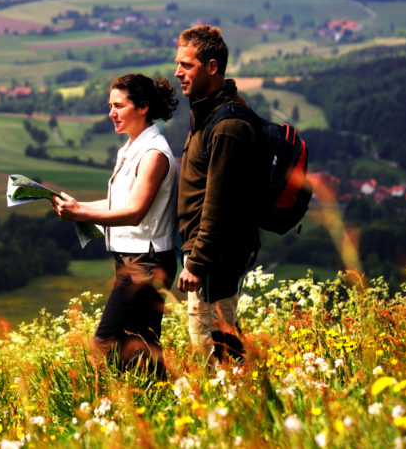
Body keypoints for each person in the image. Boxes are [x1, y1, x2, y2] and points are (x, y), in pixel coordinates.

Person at [52, 73, 180, 374]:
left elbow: (134, 212)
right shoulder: (131, 149)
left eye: (119, 106)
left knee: (103, 344)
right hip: (136, 260)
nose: (111, 112)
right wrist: (77, 206)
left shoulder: (153, 154)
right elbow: (119, 203)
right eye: (110, 105)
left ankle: (108, 398)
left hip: (145, 263)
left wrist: (80, 214)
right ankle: (167, 398)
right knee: (141, 349)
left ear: (143, 107)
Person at [173, 25, 259, 364]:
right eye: (178, 64)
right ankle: (243, 389)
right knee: (221, 344)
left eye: (186, 65)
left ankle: (236, 395)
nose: (178, 72)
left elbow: (219, 203)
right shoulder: (208, 112)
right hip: (211, 255)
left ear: (211, 67)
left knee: (211, 351)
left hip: (215, 259)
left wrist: (196, 262)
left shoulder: (226, 126)